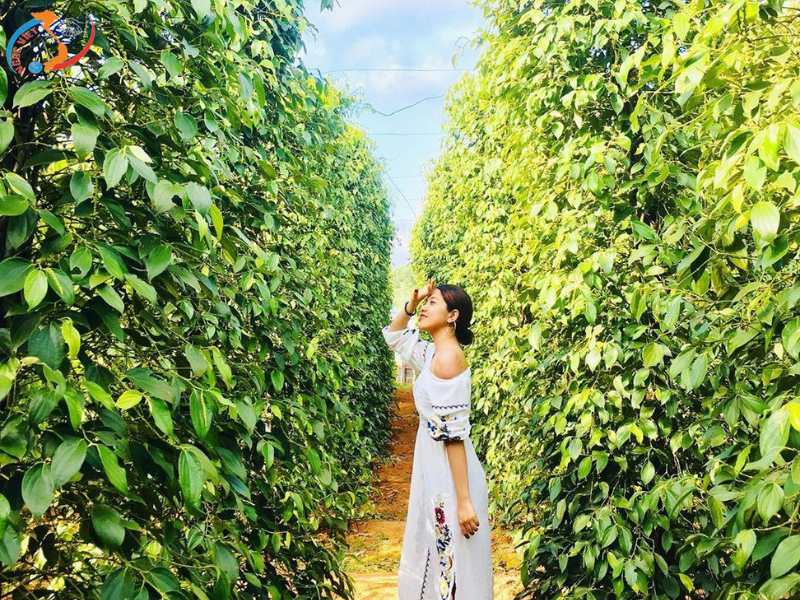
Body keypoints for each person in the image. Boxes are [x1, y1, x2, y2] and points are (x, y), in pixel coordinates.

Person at [382, 279, 493, 600]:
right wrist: (413, 302)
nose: (424, 308)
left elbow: (452, 436)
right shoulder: (432, 352)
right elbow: (394, 337)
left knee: (452, 560)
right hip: (435, 468)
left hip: (450, 475)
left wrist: (464, 500)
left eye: (433, 303)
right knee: (441, 552)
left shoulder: (448, 360)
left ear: (452, 316)